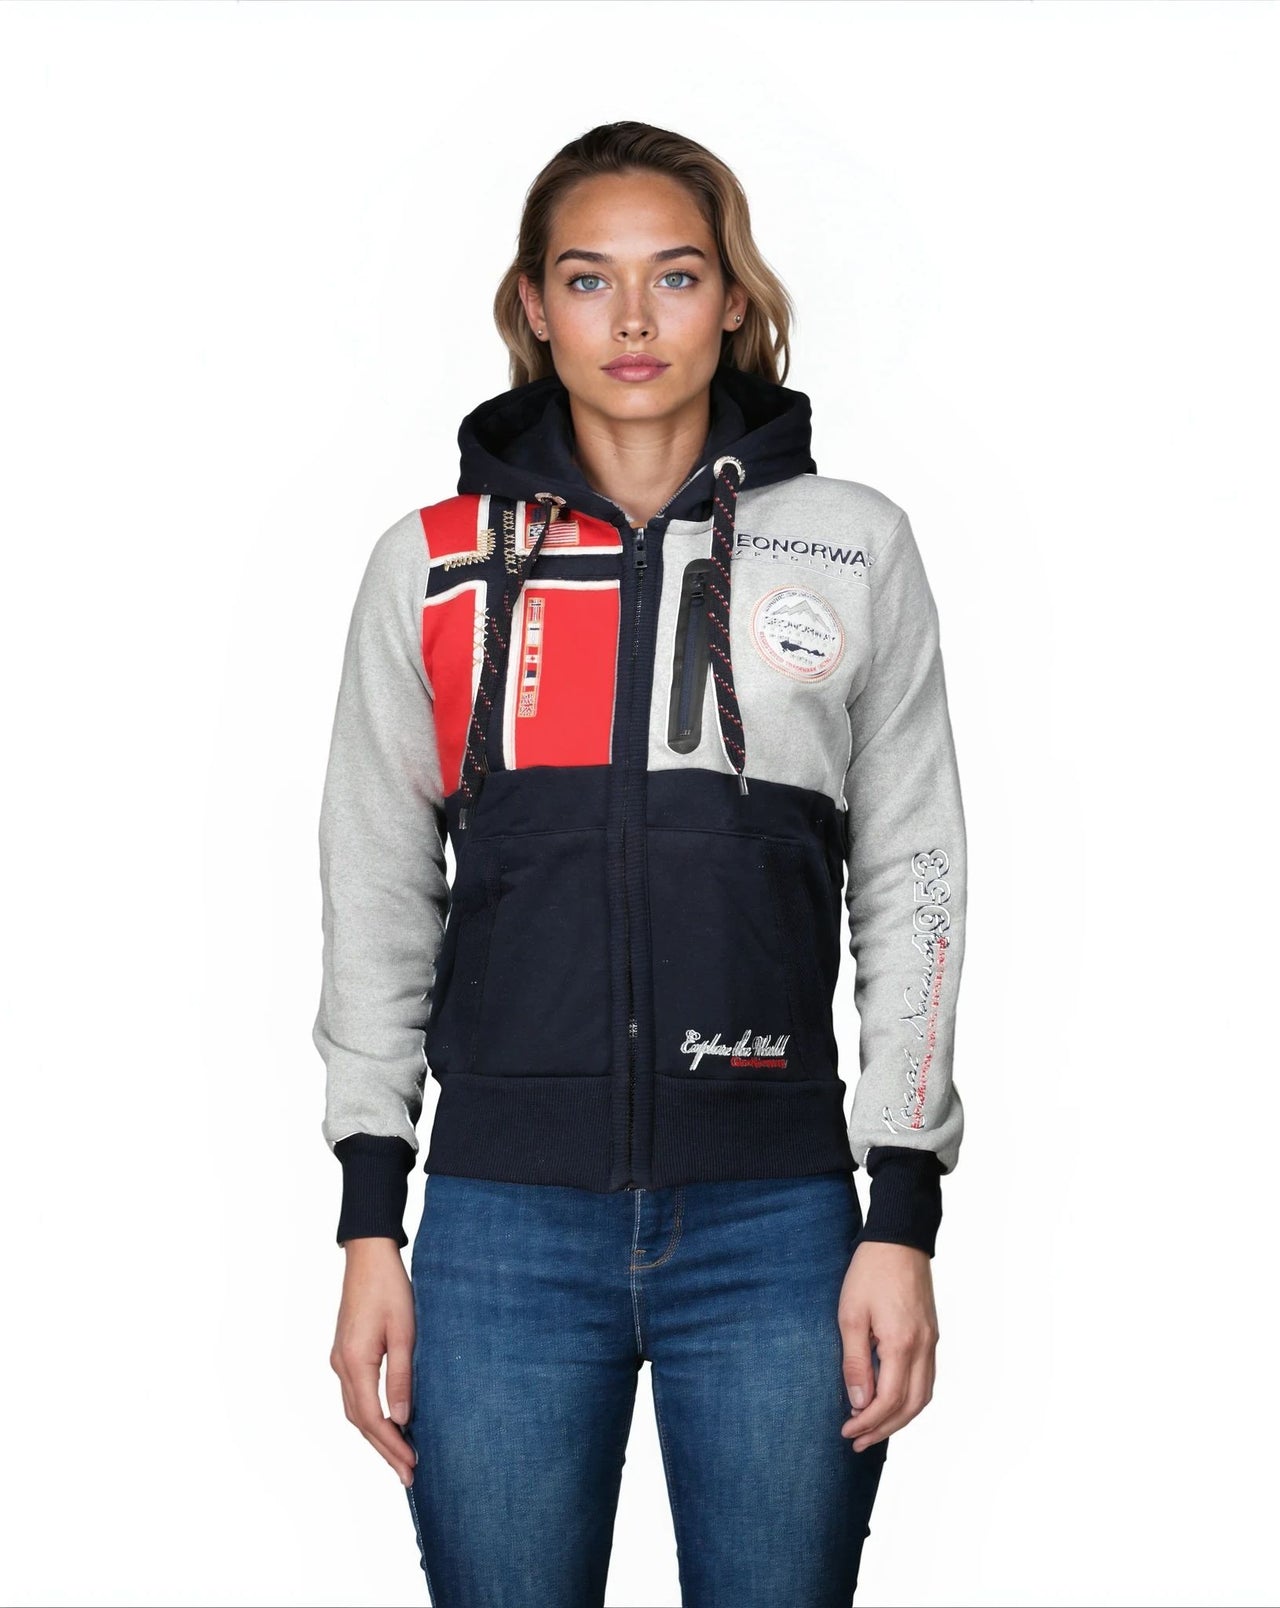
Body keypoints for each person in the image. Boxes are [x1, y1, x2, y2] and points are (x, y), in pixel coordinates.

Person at [312, 120, 968, 1608]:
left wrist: (901, 1216)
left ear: (731, 299)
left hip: (780, 1225)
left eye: (674, 276)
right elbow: (376, 892)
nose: (630, 319)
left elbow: (915, 878)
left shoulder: (851, 548)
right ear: (533, 305)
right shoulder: (436, 565)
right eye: (586, 278)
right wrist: (370, 1219)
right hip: (499, 1227)